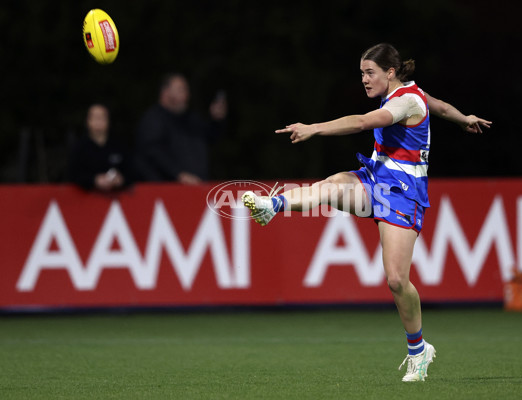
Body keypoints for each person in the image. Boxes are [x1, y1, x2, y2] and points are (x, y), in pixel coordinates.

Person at [242, 43, 491, 382]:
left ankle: (419, 350)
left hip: (403, 196)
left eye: (370, 72)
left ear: (390, 72)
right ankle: (274, 206)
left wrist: (315, 128)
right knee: (331, 186)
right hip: (375, 180)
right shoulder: (409, 94)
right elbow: (441, 106)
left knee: (396, 280)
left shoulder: (406, 102)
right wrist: (464, 119)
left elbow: (362, 122)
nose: (364, 79)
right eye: (361, 73)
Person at [134, 73, 227, 184]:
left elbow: (211, 138)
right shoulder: (153, 119)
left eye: (186, 90)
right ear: (165, 92)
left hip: (198, 187)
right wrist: (178, 174)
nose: (186, 94)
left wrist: (217, 121)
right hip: (166, 190)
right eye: (180, 89)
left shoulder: (191, 118)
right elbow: (152, 152)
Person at [68, 104, 131, 192]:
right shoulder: (79, 147)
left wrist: (121, 179)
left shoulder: (119, 146)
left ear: (108, 121)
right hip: (86, 200)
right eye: (95, 117)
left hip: (118, 200)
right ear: (88, 121)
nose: (98, 121)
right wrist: (94, 180)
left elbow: (132, 172)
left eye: (102, 117)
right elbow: (72, 175)